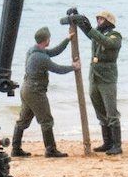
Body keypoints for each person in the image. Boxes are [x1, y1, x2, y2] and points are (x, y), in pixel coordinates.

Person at [13, 27, 79, 158]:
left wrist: (67, 39)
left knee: (23, 120)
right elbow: (57, 69)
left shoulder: (34, 51)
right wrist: (74, 67)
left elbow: (54, 52)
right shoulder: (40, 57)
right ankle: (50, 150)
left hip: (27, 89)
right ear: (46, 39)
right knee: (46, 120)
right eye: (49, 38)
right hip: (35, 91)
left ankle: (15, 149)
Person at [74, 9, 123, 154]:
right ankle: (107, 143)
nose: (98, 22)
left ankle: (117, 145)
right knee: (100, 111)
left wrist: (89, 28)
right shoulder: (98, 35)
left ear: (108, 22)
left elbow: (107, 43)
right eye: (97, 20)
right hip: (94, 77)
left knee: (111, 111)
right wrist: (80, 19)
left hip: (107, 79)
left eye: (101, 20)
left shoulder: (115, 36)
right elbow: (90, 32)